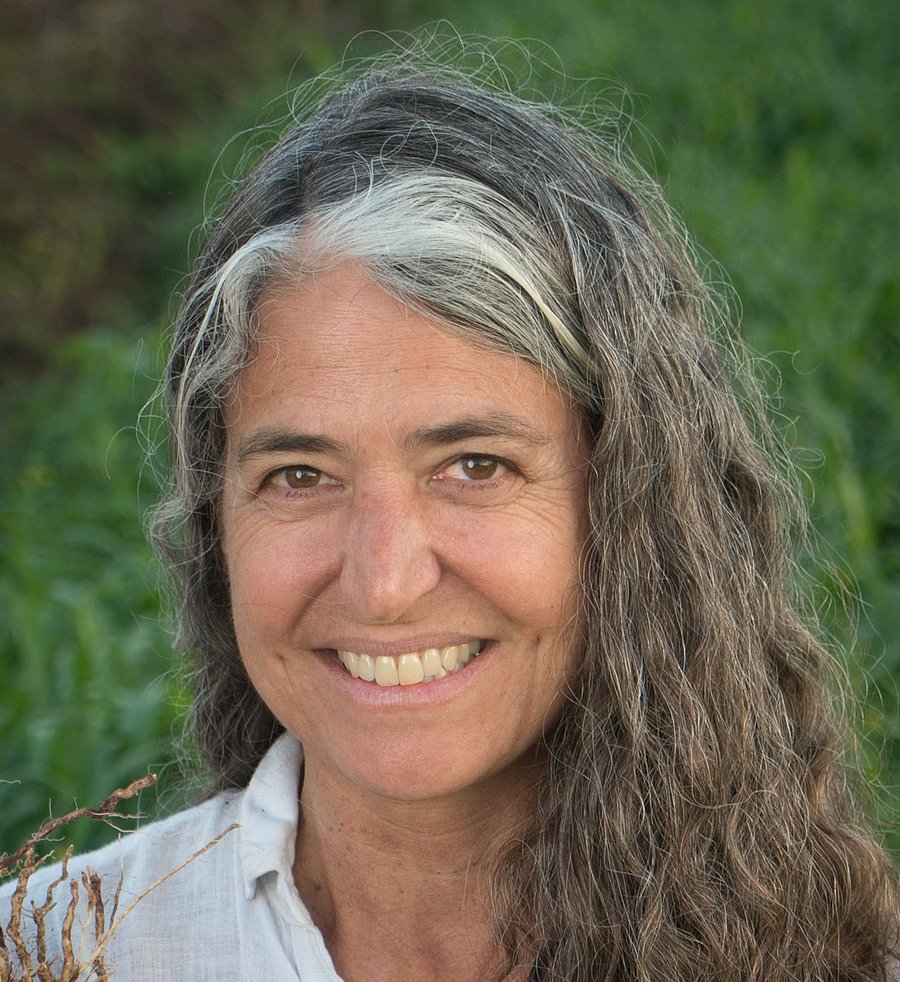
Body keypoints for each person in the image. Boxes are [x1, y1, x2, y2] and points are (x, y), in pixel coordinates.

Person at [2, 50, 898, 982]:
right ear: (215, 527)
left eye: (474, 466)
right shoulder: (54, 956)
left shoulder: (840, 960)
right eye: (301, 475)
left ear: (634, 511)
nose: (384, 583)